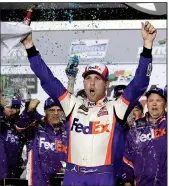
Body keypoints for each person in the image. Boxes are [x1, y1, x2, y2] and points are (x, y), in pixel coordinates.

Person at [22, 21, 156, 186]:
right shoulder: (72, 103)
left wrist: (147, 46)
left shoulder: (116, 107)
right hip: (73, 175)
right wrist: (29, 46)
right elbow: (47, 79)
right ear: (83, 82)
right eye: (88, 78)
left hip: (103, 175)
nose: (92, 83)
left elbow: (140, 83)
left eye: (97, 78)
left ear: (107, 84)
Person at [122, 87, 167, 186]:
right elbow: (127, 157)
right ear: (147, 104)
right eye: (151, 100)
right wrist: (127, 181)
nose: (154, 103)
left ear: (166, 103)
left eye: (158, 100)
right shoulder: (136, 127)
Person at [23, 97, 68, 186]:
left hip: (63, 180)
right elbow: (20, 125)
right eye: (51, 110)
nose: (56, 113)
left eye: (59, 110)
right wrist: (28, 111)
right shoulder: (36, 127)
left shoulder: (67, 130)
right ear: (45, 112)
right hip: (38, 181)